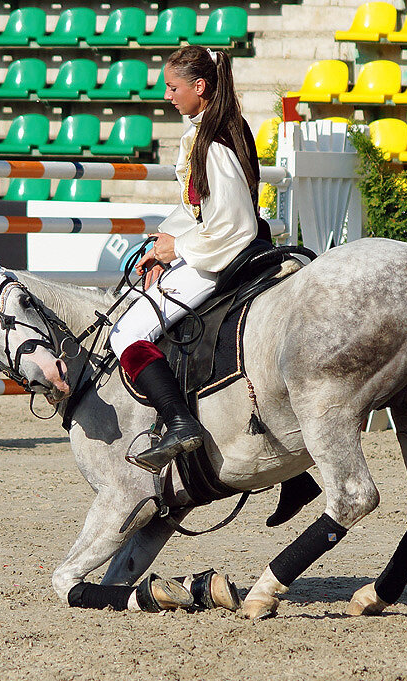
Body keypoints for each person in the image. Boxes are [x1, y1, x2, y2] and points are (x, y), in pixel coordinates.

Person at [108, 45, 263, 474]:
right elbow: (197, 208)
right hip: (209, 244)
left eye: (173, 88)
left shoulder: (214, 143)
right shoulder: (214, 128)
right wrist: (164, 242)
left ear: (199, 87)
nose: (167, 96)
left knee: (125, 333)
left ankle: (179, 422)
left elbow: (235, 224)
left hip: (220, 255)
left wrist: (177, 248)